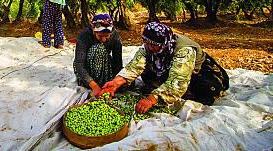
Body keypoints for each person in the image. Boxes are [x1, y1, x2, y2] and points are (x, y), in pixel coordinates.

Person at [97, 22, 229, 114]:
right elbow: (134, 67)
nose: (150, 48)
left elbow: (179, 81)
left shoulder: (184, 50)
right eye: (147, 43)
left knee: (205, 90)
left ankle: (167, 93)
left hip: (199, 72)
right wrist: (115, 83)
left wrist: (152, 99)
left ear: (165, 42)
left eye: (154, 45)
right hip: (170, 69)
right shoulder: (149, 47)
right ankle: (163, 90)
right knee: (147, 74)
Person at [73, 13, 123, 97]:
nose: (103, 39)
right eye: (100, 36)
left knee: (128, 83)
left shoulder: (115, 36)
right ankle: (90, 82)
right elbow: (79, 64)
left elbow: (118, 62)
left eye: (107, 36)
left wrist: (114, 83)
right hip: (87, 68)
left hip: (105, 68)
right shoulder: (84, 36)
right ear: (93, 30)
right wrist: (94, 86)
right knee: (97, 49)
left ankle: (104, 82)